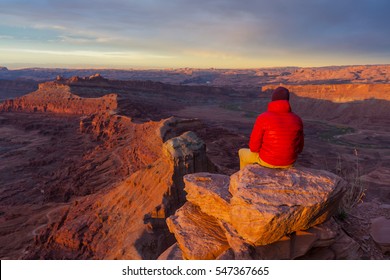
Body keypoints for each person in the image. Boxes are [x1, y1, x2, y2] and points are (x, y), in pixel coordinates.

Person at [239, 86, 304, 169]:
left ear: (273, 99)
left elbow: (253, 148)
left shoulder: (263, 118)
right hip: (289, 163)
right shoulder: (297, 119)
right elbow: (300, 148)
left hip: (267, 161)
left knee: (241, 152)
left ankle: (243, 177)